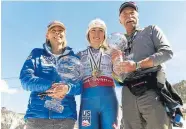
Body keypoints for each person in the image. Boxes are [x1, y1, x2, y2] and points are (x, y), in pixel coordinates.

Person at [113, 1, 174, 129]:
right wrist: (115, 68)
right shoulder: (117, 45)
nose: (129, 16)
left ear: (138, 16)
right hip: (128, 93)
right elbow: (118, 79)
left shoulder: (151, 30)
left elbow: (167, 52)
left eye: (132, 13)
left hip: (152, 90)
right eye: (124, 14)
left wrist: (137, 65)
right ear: (120, 20)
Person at [19, 20, 82, 129]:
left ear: (64, 34)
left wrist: (67, 88)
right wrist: (51, 86)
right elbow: (25, 79)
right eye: (53, 30)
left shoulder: (74, 59)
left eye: (60, 30)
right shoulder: (36, 54)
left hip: (65, 118)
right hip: (37, 118)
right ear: (47, 35)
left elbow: (81, 85)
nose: (57, 33)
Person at [78, 18, 118, 129]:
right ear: (88, 34)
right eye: (93, 30)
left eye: (100, 30)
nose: (96, 34)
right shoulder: (79, 55)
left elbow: (121, 81)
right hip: (88, 102)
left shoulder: (112, 53)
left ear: (105, 35)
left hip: (109, 101)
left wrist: (117, 66)